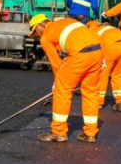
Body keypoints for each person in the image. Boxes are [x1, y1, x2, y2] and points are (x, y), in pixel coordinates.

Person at [30, 14, 104, 142]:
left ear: (39, 27)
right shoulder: (66, 21)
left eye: (35, 32)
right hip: (98, 52)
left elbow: (56, 64)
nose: (36, 35)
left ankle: (58, 132)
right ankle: (90, 133)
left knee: (62, 91)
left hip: (80, 55)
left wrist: (57, 84)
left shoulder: (45, 37)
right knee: (91, 93)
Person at [87, 20, 121, 111]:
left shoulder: (92, 32)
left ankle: (98, 102)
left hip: (110, 47)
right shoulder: (109, 28)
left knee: (102, 74)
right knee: (120, 75)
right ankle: (120, 102)